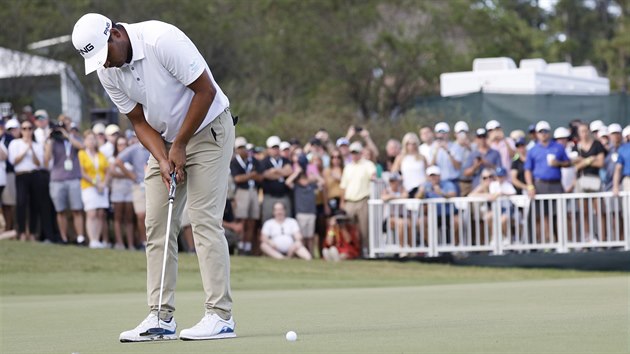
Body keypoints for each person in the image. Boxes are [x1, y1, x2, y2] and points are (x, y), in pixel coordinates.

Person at [72, 13, 237, 341]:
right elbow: (137, 121)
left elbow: (204, 91)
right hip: (165, 140)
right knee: (157, 224)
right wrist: (163, 157)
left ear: (116, 34)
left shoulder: (161, 40)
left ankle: (220, 316)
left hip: (209, 129)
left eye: (105, 55)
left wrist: (180, 145)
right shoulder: (107, 71)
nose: (105, 65)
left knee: (203, 221)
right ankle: (160, 317)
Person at [524, 121, 571, 243]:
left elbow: (568, 163)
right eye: (541, 132)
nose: (543, 134)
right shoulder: (533, 150)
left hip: (556, 184)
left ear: (549, 133)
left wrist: (558, 163)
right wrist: (530, 186)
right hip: (540, 184)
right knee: (542, 215)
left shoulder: (558, 147)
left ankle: (561, 241)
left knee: (559, 214)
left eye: (545, 131)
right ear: (537, 134)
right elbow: (527, 170)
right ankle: (547, 241)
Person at [44, 116, 86, 244]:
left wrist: (66, 135)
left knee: (77, 209)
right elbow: (46, 160)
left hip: (73, 178)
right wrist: (50, 138)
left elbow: (82, 146)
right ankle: (64, 238)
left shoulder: (72, 139)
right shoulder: (52, 142)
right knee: (60, 210)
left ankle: (80, 238)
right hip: (57, 180)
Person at [8, 120, 44, 242]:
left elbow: (39, 163)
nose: (27, 131)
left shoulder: (37, 145)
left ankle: (33, 232)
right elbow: (14, 161)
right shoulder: (15, 143)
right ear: (21, 130)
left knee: (35, 204)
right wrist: (25, 150)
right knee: (21, 203)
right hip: (21, 175)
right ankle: (22, 232)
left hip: (34, 175)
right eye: (24, 128)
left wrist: (32, 149)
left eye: (29, 128)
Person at [340, 141, 376, 257]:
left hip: (363, 200)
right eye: (352, 153)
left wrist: (373, 177)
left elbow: (373, 175)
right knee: (350, 227)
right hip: (350, 201)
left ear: (361, 153)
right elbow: (343, 186)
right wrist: (342, 201)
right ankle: (352, 251)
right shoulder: (348, 167)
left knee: (364, 229)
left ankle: (366, 251)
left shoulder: (368, 164)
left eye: (356, 153)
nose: (354, 155)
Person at [572, 122, 606, 241]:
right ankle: (588, 239)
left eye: (586, 131)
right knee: (584, 212)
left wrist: (584, 161)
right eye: (582, 131)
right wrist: (590, 159)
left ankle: (602, 239)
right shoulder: (576, 147)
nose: (585, 133)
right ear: (579, 133)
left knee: (599, 211)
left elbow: (600, 163)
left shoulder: (597, 145)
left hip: (595, 180)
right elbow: (576, 166)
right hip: (581, 181)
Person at [114, 140, 151, 250]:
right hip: (139, 185)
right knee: (140, 215)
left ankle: (154, 242)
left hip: (154, 185)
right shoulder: (135, 149)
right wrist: (131, 176)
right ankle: (144, 242)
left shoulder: (154, 146)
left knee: (153, 216)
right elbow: (118, 161)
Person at [78, 131, 111, 249]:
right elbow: (82, 172)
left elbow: (107, 170)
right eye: (89, 139)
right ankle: (92, 239)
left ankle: (97, 239)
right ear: (85, 141)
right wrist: (95, 183)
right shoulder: (82, 154)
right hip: (89, 186)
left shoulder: (100, 154)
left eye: (93, 139)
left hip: (101, 186)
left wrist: (103, 183)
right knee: (91, 213)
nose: (91, 141)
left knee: (100, 213)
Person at [230, 136, 262, 255]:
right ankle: (240, 245)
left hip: (253, 191)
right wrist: (251, 175)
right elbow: (237, 179)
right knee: (242, 219)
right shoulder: (234, 162)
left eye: (244, 147)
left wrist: (248, 176)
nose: (242, 150)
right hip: (241, 192)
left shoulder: (253, 161)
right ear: (236, 150)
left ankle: (247, 247)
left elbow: (260, 176)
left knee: (252, 220)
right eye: (240, 148)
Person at [285, 162, 323, 255]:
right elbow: (288, 182)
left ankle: (310, 253)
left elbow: (322, 182)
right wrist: (296, 173)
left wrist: (314, 174)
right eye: (302, 179)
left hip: (311, 213)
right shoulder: (297, 187)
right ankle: (302, 253)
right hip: (301, 213)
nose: (304, 181)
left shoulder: (312, 186)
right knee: (302, 236)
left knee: (310, 236)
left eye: (305, 178)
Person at [108, 136, 134, 249]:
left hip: (129, 190)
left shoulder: (130, 158)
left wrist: (126, 175)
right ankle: (119, 243)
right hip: (117, 190)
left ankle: (130, 244)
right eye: (119, 144)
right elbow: (112, 172)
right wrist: (128, 175)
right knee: (118, 217)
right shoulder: (112, 158)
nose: (122, 147)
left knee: (129, 218)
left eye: (124, 144)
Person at [261, 135, 293, 222]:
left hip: (284, 195)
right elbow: (265, 174)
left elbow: (289, 171)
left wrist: (274, 170)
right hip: (269, 196)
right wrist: (282, 173)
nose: (275, 150)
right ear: (268, 149)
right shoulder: (264, 161)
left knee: (287, 220)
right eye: (273, 148)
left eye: (277, 147)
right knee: (267, 220)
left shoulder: (285, 160)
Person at [391, 132, 426, 198]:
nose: (411, 146)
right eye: (408, 144)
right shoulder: (400, 158)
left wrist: (423, 187)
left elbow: (427, 172)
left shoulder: (422, 157)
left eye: (413, 144)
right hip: (407, 189)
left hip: (421, 189)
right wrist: (401, 184)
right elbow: (393, 174)